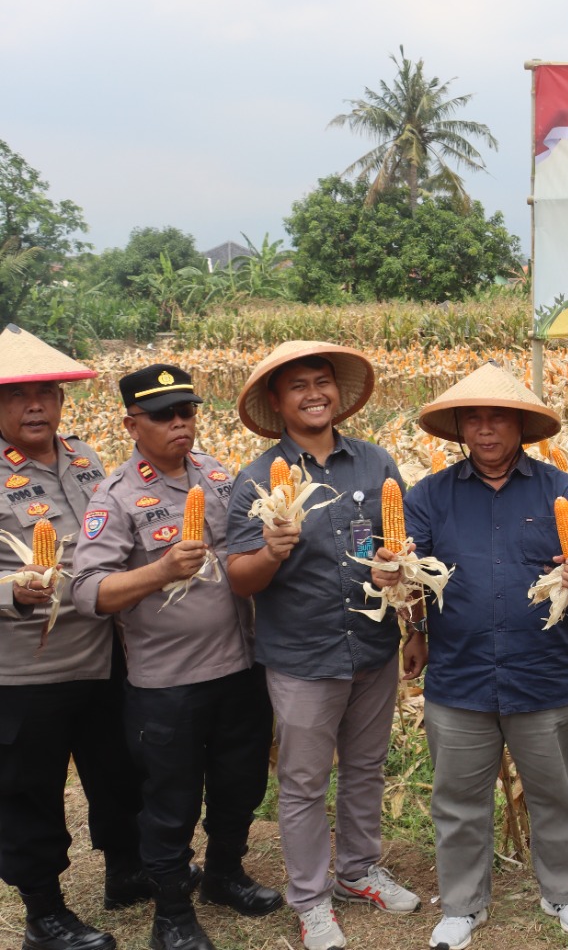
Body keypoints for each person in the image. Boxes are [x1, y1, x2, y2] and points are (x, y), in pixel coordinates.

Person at [372, 363, 568, 949]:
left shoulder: (561, 489)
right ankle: (462, 904)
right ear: (458, 429)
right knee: (457, 800)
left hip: (541, 673)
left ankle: (565, 892)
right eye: (472, 419)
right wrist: (401, 603)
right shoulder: (428, 496)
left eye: (497, 417)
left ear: (521, 426)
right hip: (460, 674)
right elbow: (410, 577)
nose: (484, 430)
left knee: (556, 793)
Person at [71, 364, 280, 950]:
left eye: (186, 411)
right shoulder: (115, 496)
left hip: (240, 667)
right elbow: (88, 591)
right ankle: (171, 912)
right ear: (131, 424)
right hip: (167, 686)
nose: (179, 423)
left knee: (240, 787)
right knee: (172, 801)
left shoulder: (217, 476)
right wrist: (159, 570)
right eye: (163, 415)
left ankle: (223, 874)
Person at [225, 341, 420, 950]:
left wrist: (412, 621)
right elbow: (238, 576)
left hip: (372, 646)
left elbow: (402, 552)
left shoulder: (375, 464)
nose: (314, 394)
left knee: (365, 767)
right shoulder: (257, 480)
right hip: (302, 656)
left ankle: (358, 870)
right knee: (305, 782)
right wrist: (271, 552)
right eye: (299, 386)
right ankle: (309, 900)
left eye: (322, 382)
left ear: (338, 392)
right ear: (277, 402)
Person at [0, 324, 144, 950]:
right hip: (25, 675)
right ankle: (44, 913)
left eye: (47, 393)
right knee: (29, 792)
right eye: (17, 395)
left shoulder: (86, 458)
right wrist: (11, 591)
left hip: (103, 655)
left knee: (118, 772)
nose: (36, 405)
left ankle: (127, 870)